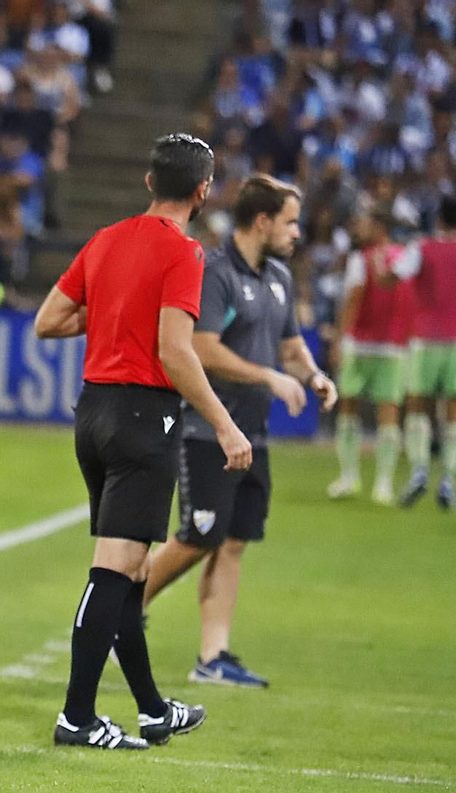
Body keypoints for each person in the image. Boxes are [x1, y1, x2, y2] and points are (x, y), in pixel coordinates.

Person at [32, 132, 252, 750]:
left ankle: (153, 710)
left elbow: (49, 321)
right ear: (204, 191)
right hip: (143, 416)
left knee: (128, 570)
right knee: (115, 569)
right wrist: (224, 423)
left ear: (150, 182)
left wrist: (109, 311)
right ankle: (77, 715)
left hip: (94, 410)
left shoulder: (105, 240)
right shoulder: (185, 253)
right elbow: (174, 351)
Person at [140, 175, 337, 689]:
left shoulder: (279, 277)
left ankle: (214, 656)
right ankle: (124, 612)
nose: (298, 232)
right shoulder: (216, 273)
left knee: (231, 543)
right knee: (200, 535)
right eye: (291, 221)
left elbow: (291, 347)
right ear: (263, 220)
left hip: (253, 434)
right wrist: (266, 375)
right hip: (208, 431)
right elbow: (200, 347)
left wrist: (312, 376)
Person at [392, 196, 456, 511]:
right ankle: (448, 480)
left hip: (426, 337)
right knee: (455, 406)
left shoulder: (421, 247)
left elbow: (394, 275)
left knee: (417, 402)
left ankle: (419, 471)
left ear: (438, 220)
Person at [329, 208, 415, 504]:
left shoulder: (361, 258)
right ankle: (384, 484)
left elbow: (353, 299)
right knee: (388, 412)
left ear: (379, 227)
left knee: (349, 407)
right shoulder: (404, 257)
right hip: (394, 347)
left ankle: (349, 477)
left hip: (360, 343)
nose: (359, 229)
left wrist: (340, 340)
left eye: (364, 223)